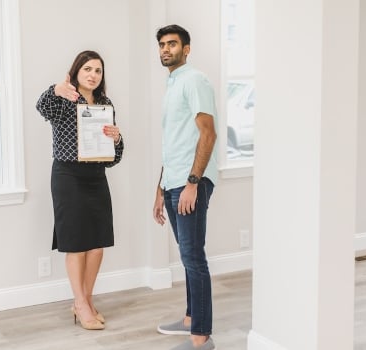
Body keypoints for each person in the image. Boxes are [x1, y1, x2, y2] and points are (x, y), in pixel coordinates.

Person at [36, 50, 124, 331]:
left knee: (97, 245)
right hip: (68, 177)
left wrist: (118, 138)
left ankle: (84, 300)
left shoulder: (105, 104)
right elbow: (42, 107)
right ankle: (81, 303)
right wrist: (55, 89)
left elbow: (113, 157)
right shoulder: (63, 99)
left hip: (96, 177)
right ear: (76, 72)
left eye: (98, 71)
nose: (92, 75)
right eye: (87, 69)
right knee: (76, 243)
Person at [152, 25, 218, 350]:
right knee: (187, 256)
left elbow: (208, 134)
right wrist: (160, 189)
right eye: (162, 45)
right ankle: (192, 319)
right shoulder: (173, 84)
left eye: (172, 44)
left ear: (186, 48)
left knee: (194, 257)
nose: (166, 49)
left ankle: (201, 338)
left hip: (191, 182)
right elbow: (174, 143)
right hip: (174, 182)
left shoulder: (194, 80)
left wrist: (193, 183)